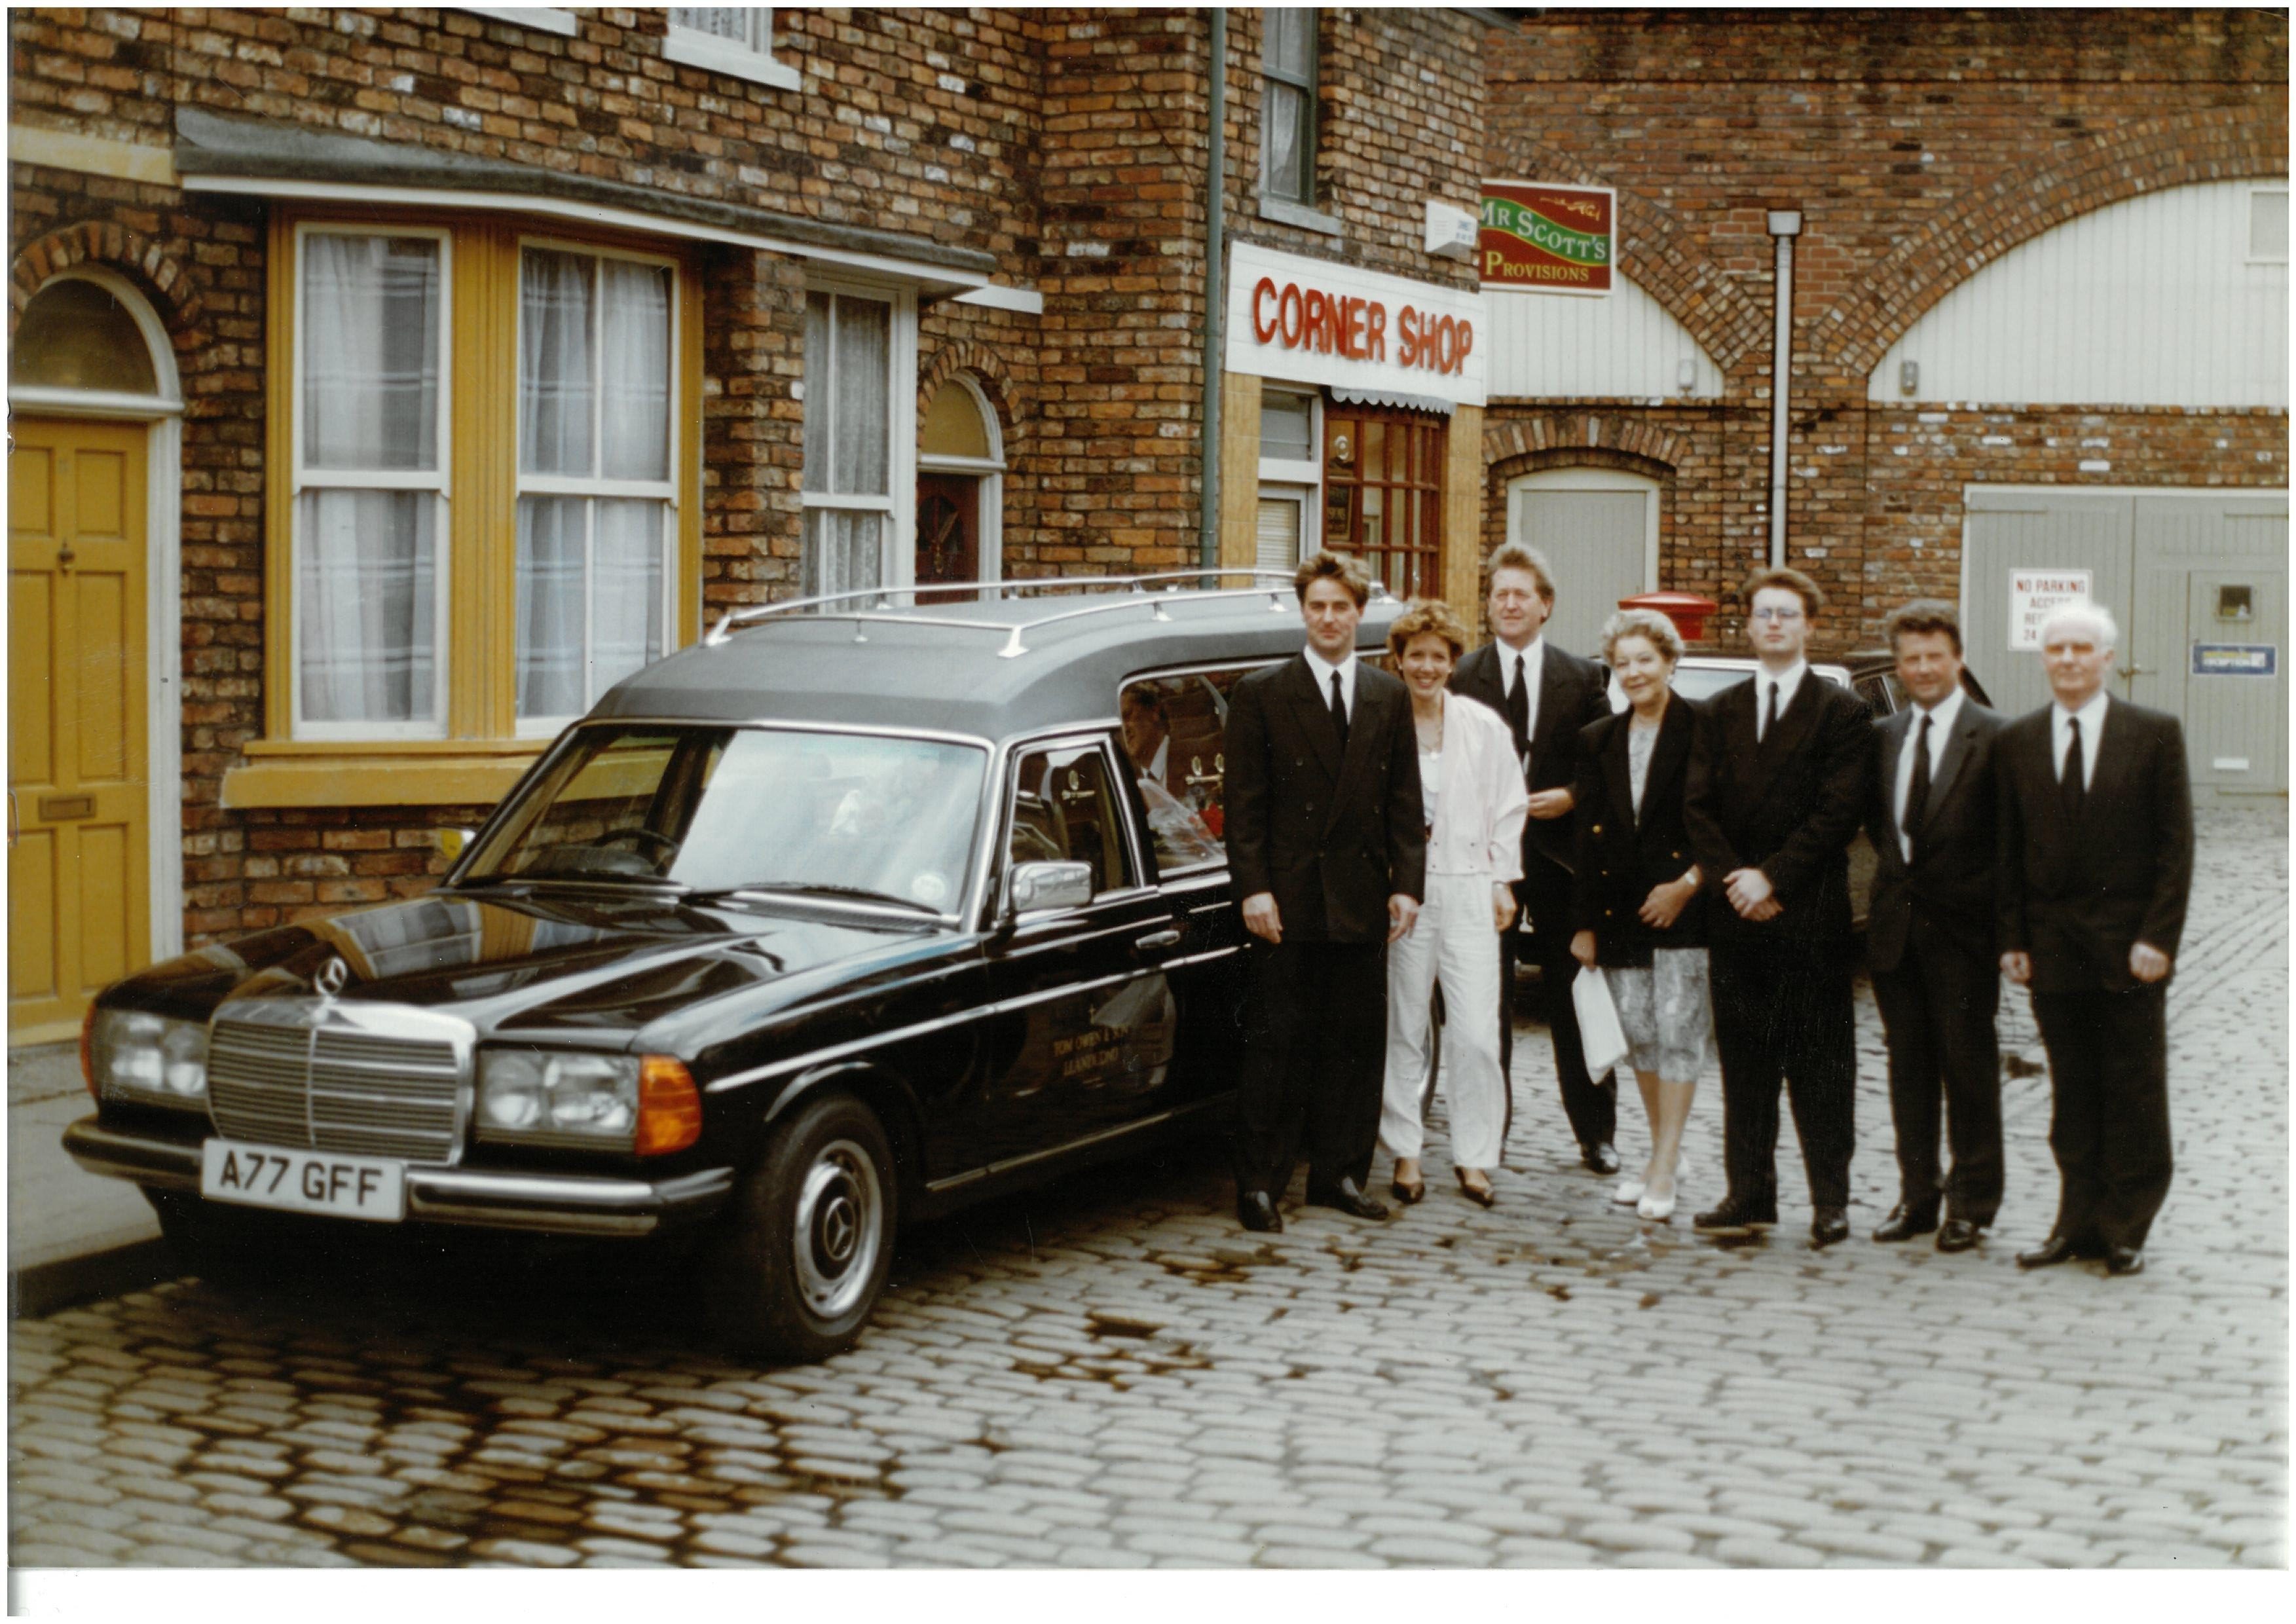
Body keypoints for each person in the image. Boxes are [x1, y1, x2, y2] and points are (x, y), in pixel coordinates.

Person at [1225, 550, 1426, 1232]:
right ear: (1301, 611)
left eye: (1341, 606)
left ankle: (1339, 1174)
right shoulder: (1262, 693)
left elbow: (1404, 802)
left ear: (1359, 613)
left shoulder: (1387, 694)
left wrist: (1407, 887)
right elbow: (1243, 806)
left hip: (1360, 895)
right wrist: (1253, 889)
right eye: (1317, 605)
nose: (1329, 617)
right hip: (1286, 898)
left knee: (1353, 1042)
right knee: (1276, 1045)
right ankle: (1259, 1182)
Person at [1996, 599, 2193, 1278]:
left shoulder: (2153, 733)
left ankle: (2125, 1225)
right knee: (2071, 1092)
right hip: (2051, 949)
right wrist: (2013, 938)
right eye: (2056, 649)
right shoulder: (2016, 739)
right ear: (2043, 658)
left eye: (2082, 648)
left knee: (2133, 1088)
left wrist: (2157, 937)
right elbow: (2008, 849)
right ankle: (2073, 1221)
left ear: (2106, 658)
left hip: (2128, 949)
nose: (2069, 660)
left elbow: (2175, 848)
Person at [1683, 566, 1870, 1247]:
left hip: (1807, 913)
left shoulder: (1840, 711)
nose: (1772, 625)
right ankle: (1748, 1192)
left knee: (1820, 1064)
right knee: (1745, 1060)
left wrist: (1772, 879)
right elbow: (1695, 808)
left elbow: (1836, 812)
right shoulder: (1718, 710)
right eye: (1762, 613)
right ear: (1748, 623)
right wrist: (1736, 879)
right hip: (1734, 914)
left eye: (1786, 614)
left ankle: (1829, 1199)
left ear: (1809, 625)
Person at [1449, 543, 1619, 1174]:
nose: (1510, 604)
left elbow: (1605, 768)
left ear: (1546, 606)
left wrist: (1571, 796)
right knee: (1483, 1005)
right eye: (1500, 594)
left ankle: (1596, 1132)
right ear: (1489, 606)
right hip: (1482, 865)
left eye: (1523, 594)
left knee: (1573, 1002)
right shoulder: (1464, 677)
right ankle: (1487, 1134)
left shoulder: (1583, 678)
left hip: (1559, 863)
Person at [1864, 601, 2007, 1253]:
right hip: (1896, 930)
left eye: (1933, 656)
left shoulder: (1995, 736)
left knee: (1967, 1068)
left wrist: (2007, 934)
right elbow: (1879, 827)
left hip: (1964, 933)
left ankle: (1971, 1203)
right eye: (1910, 658)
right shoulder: (1885, 735)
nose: (1921, 669)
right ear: (1898, 664)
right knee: (1908, 1069)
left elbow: (2011, 842)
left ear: (1956, 659)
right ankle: (1916, 1196)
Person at [1377, 600, 1528, 1209]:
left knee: (1474, 1033)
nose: (1426, 667)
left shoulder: (1482, 725)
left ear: (1454, 664)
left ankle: (1474, 1157)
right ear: (1398, 660)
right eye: (1416, 656)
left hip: (1469, 884)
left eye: (1438, 657)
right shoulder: (1383, 720)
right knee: (1406, 1025)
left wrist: (1502, 879)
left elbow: (1509, 804)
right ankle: (1406, 1153)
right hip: (1405, 893)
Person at [1568, 608, 1711, 1222]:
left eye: (1645, 660)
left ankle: (1663, 1165)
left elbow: (1730, 825)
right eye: (1621, 663)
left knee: (1680, 1034)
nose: (1633, 673)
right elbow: (1585, 840)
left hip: (1686, 908)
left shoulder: (1708, 730)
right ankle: (1662, 1153)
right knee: (1642, 1039)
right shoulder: (1599, 739)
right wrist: (1585, 924)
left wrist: (1687, 885)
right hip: (1621, 912)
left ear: (1671, 662)